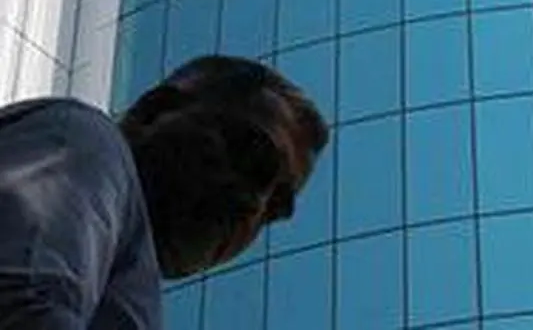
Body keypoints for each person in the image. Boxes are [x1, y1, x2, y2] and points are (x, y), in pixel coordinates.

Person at [0, 55, 329, 329]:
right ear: (155, 110)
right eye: (252, 157)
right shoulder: (88, 142)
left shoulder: (130, 288)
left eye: (276, 207)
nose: (255, 205)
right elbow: (21, 300)